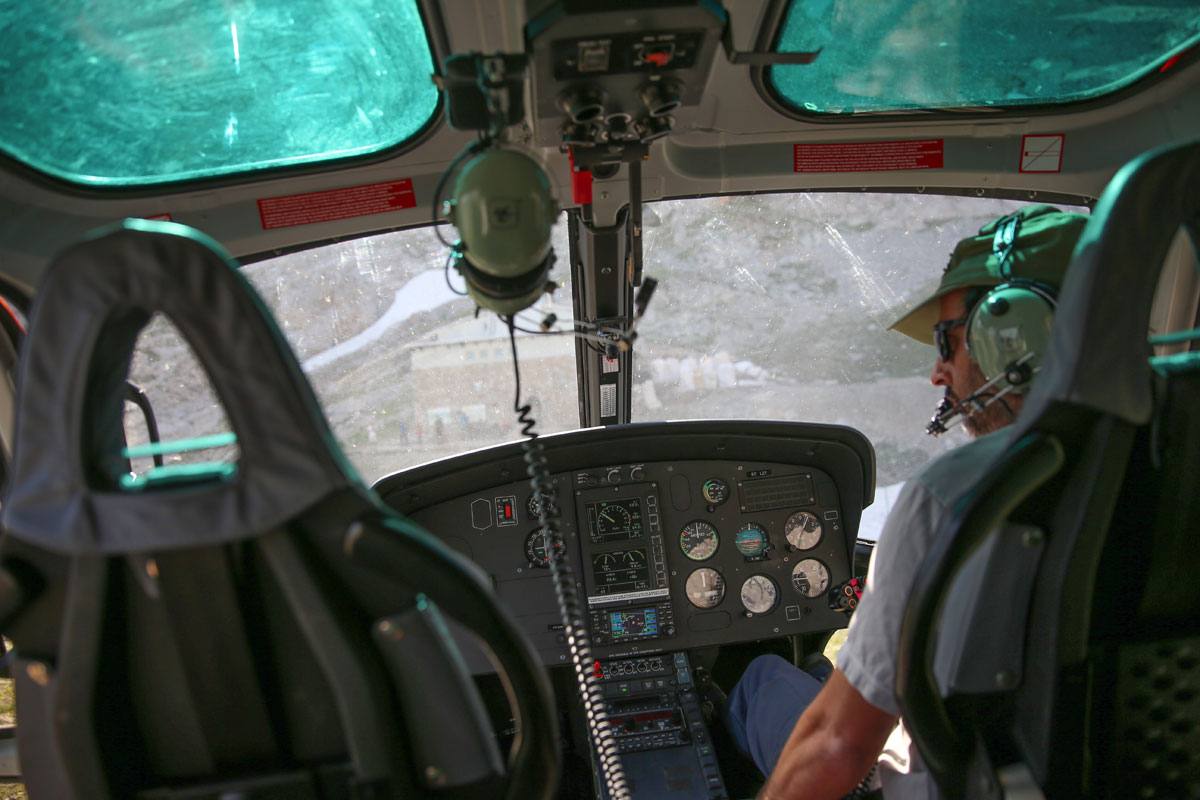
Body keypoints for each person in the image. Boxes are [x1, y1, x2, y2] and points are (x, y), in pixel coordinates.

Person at [722, 205, 1089, 799]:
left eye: (948, 342)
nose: (938, 374)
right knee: (824, 673)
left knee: (761, 679)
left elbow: (838, 746)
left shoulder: (953, 497)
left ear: (1014, 334)